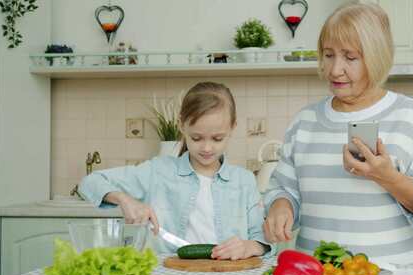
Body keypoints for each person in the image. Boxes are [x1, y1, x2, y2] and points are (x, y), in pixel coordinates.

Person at [263, 2, 413, 266]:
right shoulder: (305, 121)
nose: (334, 69)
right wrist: (281, 205)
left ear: (376, 57)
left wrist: (388, 178)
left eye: (350, 57)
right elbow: (283, 188)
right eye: (329, 54)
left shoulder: (409, 116)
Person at [79, 82, 271, 260]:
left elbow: (262, 241)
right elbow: (90, 182)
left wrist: (248, 247)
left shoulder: (244, 181)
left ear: (233, 127)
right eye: (196, 138)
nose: (206, 148)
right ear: (182, 125)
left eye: (217, 138)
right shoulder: (158, 171)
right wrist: (124, 199)